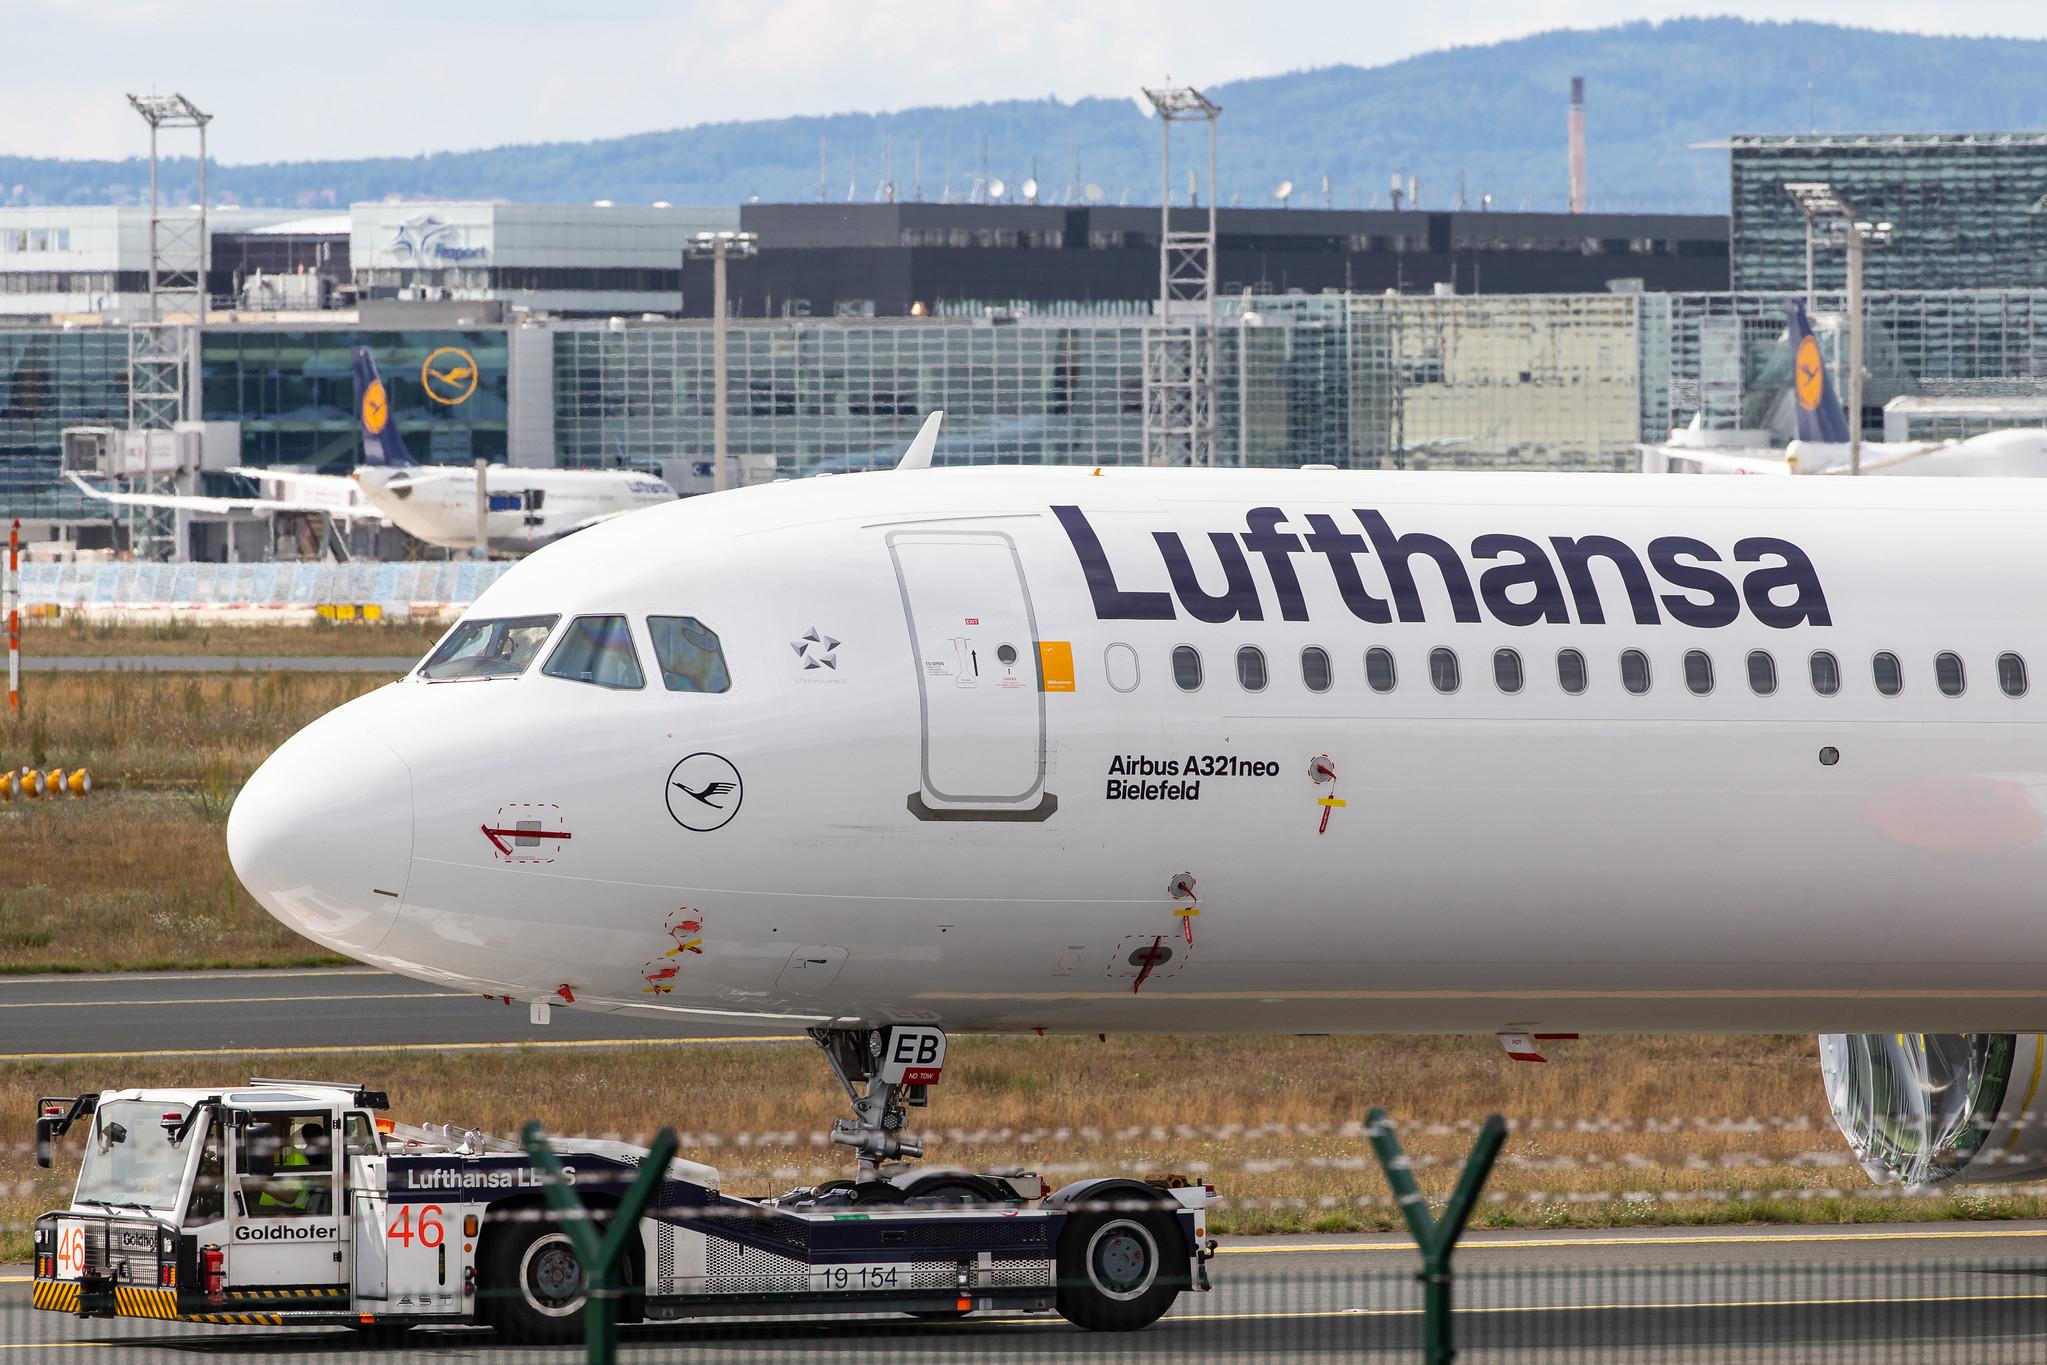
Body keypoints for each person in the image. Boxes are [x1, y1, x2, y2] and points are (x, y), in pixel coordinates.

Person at [257, 1121, 327, 1214]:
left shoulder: (297, 1159)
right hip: (277, 1209)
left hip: (284, 1210)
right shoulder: (289, 1156)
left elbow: (289, 1197)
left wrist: (259, 1185)